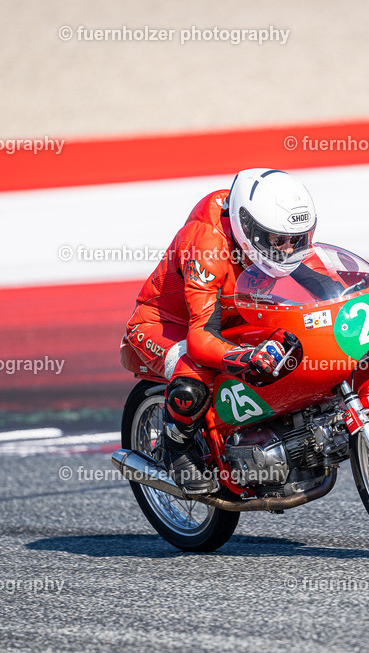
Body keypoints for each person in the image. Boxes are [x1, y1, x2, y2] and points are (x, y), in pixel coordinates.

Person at [120, 168, 318, 493]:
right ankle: (177, 447)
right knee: (194, 374)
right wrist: (245, 357)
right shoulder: (208, 245)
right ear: (248, 228)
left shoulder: (275, 235)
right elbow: (201, 338)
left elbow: (320, 280)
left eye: (295, 240)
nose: (286, 250)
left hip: (231, 319)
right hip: (165, 326)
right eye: (277, 241)